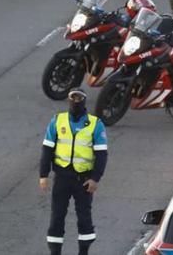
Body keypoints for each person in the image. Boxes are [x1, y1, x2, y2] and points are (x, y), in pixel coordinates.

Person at [40, 88, 108, 255]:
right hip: (62, 177)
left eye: (80, 98)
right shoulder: (58, 121)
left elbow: (101, 155)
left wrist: (95, 179)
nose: (76, 101)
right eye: (73, 98)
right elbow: (47, 149)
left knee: (84, 218)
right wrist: (44, 175)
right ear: (69, 100)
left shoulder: (95, 124)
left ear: (84, 101)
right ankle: (55, 252)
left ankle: (83, 252)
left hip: (83, 180)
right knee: (57, 216)